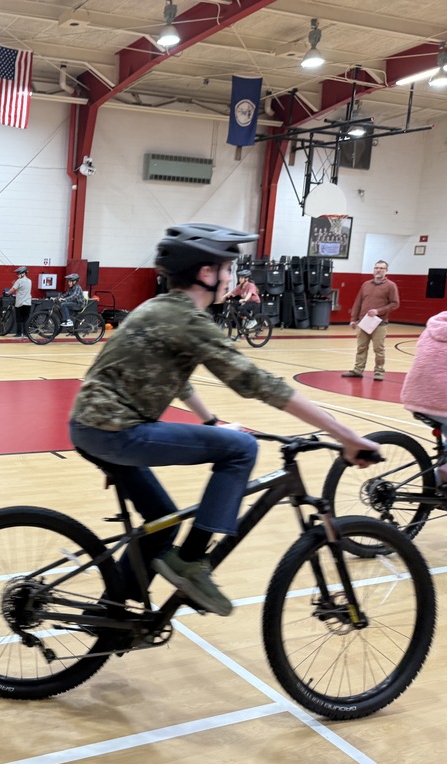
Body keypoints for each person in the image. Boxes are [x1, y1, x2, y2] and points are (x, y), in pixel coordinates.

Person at [69, 223, 379, 616]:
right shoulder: (188, 320)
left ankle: (112, 611)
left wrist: (211, 421)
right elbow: (257, 383)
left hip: (91, 427)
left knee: (162, 520)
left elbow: (174, 381)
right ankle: (192, 560)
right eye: (228, 269)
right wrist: (346, 434)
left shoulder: (157, 308)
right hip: (116, 432)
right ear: (206, 273)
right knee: (241, 450)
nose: (232, 278)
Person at [400, 310, 447, 489]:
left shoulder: (435, 324)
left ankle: (434, 488)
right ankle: (444, 471)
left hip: (416, 394)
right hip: (441, 399)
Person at [343, 260, 399, 381]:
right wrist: (354, 319)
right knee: (361, 347)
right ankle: (358, 370)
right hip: (363, 322)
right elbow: (358, 302)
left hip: (379, 323)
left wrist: (378, 311)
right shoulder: (366, 284)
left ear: (386, 271)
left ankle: (379, 371)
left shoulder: (390, 286)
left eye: (381, 268)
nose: (378, 270)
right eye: (376, 268)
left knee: (378, 349)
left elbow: (395, 304)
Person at [6, 266, 32, 337]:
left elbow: (12, 289)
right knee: (26, 319)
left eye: (18, 273)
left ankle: (19, 333)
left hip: (20, 303)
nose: (17, 275)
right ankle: (26, 334)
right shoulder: (29, 281)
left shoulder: (19, 281)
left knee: (19, 319)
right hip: (28, 303)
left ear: (23, 273)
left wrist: (7, 293)